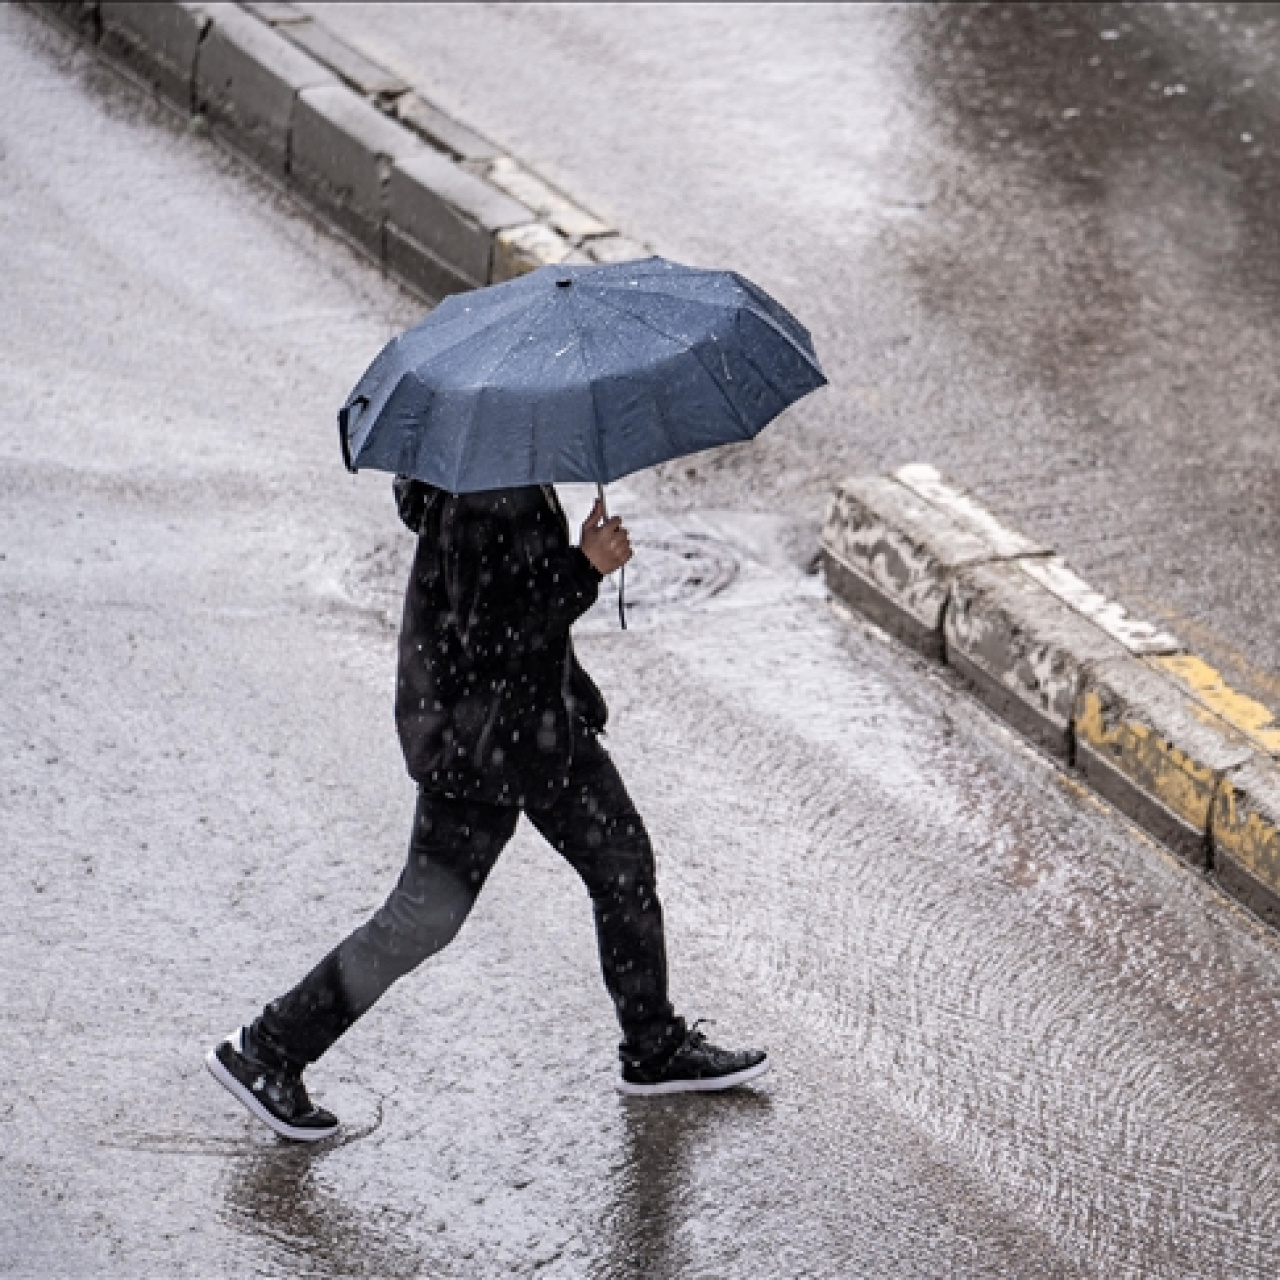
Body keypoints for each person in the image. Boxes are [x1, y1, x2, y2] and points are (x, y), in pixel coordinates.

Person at [206, 480, 768, 1141]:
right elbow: (494, 636)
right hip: (478, 743)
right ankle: (268, 1049)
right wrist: (585, 566)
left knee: (622, 863)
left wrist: (572, 684)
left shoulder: (507, 474)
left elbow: (515, 604)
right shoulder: (483, 492)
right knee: (422, 919)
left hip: (536, 726)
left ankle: (652, 1046)